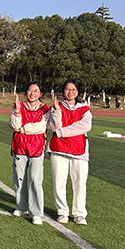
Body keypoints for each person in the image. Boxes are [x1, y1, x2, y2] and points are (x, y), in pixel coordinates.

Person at [47, 78, 92, 225]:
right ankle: (62, 212)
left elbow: (84, 126)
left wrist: (61, 132)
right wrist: (56, 111)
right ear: (63, 91)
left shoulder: (84, 108)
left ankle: (79, 214)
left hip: (79, 150)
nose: (70, 92)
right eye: (67, 89)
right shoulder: (57, 106)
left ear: (78, 92)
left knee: (80, 183)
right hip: (59, 149)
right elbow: (54, 126)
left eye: (73, 89)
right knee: (59, 182)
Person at [9, 82, 51, 225]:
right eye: (29, 90)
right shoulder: (19, 105)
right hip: (19, 147)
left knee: (35, 180)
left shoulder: (45, 109)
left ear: (40, 94)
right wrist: (17, 112)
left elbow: (41, 127)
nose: (32, 93)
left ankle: (37, 212)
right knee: (19, 179)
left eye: (36, 91)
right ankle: (21, 207)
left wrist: (23, 129)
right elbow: (14, 125)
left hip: (36, 148)